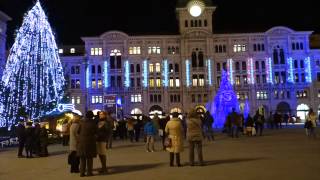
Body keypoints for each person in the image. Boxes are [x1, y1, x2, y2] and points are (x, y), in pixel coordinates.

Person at [77, 111, 97, 177]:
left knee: (82, 158)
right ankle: (89, 172)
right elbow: (96, 131)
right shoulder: (93, 123)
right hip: (90, 142)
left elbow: (78, 131)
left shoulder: (81, 122)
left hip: (81, 142)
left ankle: (82, 173)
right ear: (91, 116)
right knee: (89, 158)